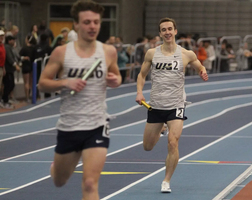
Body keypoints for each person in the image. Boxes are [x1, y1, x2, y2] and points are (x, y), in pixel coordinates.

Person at [37, 1, 122, 199]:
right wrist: (65, 83)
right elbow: (42, 84)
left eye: (96, 22)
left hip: (97, 124)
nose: (92, 26)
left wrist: (114, 80)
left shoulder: (108, 51)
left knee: (91, 183)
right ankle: (56, 168)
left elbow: (117, 77)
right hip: (70, 126)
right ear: (76, 25)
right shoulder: (62, 53)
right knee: (59, 180)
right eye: (86, 22)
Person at [135, 17, 208, 193]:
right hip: (156, 105)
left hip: (176, 104)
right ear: (160, 33)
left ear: (175, 31)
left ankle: (166, 181)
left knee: (173, 142)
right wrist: (139, 92)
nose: (167, 32)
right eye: (163, 30)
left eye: (170, 29)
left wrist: (202, 72)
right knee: (147, 146)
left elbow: (199, 66)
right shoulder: (152, 53)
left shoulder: (186, 54)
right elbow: (142, 75)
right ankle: (161, 128)